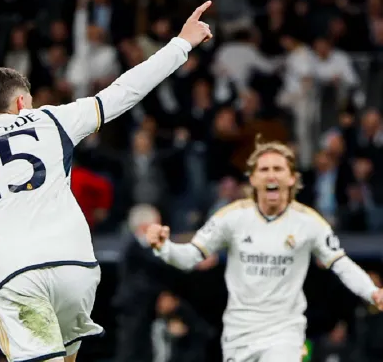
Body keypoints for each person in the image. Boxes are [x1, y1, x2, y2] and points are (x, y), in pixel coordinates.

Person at [0, 1, 214, 362]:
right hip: (75, 269)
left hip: (14, 277)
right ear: (20, 102)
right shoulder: (49, 120)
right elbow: (124, 91)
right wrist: (181, 44)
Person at [146, 137, 383, 362]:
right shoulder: (231, 217)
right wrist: (164, 247)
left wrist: (371, 291)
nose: (271, 175)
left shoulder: (309, 222)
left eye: (278, 169)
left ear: (291, 178)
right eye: (264, 169)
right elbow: (190, 257)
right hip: (240, 331)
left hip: (285, 331)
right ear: (253, 179)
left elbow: (340, 264)